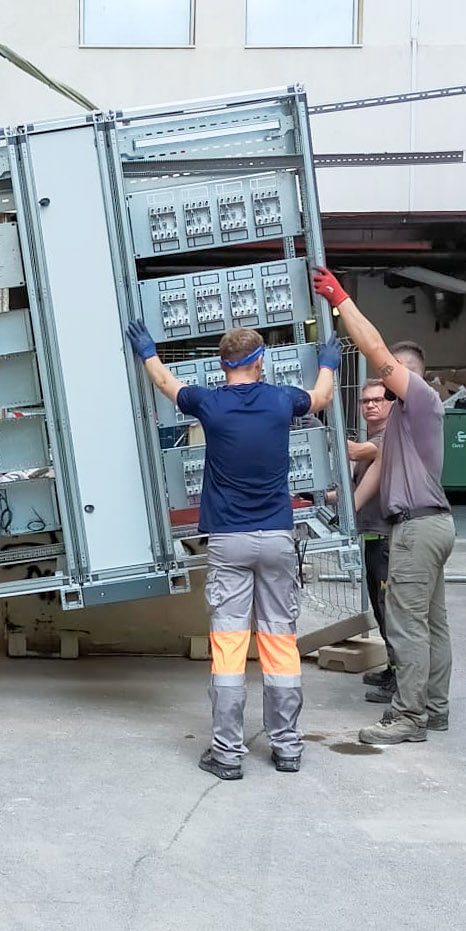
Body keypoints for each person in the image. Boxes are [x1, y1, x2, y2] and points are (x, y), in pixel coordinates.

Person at [125, 319, 341, 779]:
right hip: (278, 536)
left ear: (223, 364)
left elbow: (165, 382)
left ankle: (227, 754)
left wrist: (147, 351)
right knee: (280, 640)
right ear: (258, 361)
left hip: (228, 539)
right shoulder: (282, 399)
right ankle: (287, 747)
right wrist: (328, 362)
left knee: (228, 646)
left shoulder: (210, 403)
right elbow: (321, 398)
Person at [310, 269, 454, 746]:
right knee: (431, 623)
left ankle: (408, 717)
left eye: (392, 378)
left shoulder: (423, 403)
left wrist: (341, 299)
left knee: (406, 625)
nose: (383, 391)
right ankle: (433, 709)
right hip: (427, 525)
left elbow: (374, 350)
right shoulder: (397, 431)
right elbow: (373, 476)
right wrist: (339, 513)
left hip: (418, 528)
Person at [352, 378, 396, 707]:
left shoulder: (388, 439)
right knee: (380, 609)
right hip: (372, 535)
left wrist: (320, 432)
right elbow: (354, 492)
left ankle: (400, 678)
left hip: (388, 537)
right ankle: (392, 667)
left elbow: (354, 450)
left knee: (389, 609)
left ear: (391, 403)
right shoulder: (371, 442)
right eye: (366, 401)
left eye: (378, 399)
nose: (371, 405)